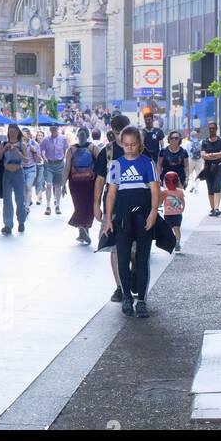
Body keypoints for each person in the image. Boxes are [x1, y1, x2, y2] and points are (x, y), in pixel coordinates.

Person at [102, 126, 161, 318]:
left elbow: (155, 190)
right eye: (125, 145)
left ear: (140, 144)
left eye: (133, 144)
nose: (129, 148)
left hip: (143, 216)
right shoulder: (116, 165)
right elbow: (111, 193)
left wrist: (153, 212)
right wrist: (108, 219)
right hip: (123, 218)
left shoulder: (147, 163)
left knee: (142, 258)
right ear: (121, 143)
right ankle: (127, 296)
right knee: (123, 257)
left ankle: (141, 299)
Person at [93, 114, 132, 303]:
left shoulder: (139, 150)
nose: (121, 138)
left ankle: (130, 282)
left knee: (134, 250)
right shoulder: (107, 152)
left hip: (135, 207)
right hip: (113, 207)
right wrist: (95, 205)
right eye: (118, 133)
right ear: (112, 131)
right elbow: (100, 180)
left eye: (124, 133)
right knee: (115, 249)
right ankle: (120, 287)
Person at [63, 126, 97, 244]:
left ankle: (82, 231)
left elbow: (67, 168)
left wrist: (63, 184)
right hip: (90, 182)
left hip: (75, 182)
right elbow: (99, 166)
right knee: (88, 206)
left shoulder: (71, 149)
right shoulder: (93, 148)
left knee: (79, 206)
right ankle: (83, 229)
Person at [0, 124, 29, 235]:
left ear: (18, 132)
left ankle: (21, 221)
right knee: (7, 200)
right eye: (10, 131)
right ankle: (8, 224)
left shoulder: (22, 145)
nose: (12, 132)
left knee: (20, 199)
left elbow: (26, 160)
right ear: (8, 132)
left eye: (14, 130)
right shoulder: (3, 144)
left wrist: (18, 153)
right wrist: (5, 149)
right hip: (7, 173)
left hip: (18, 173)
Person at [39, 124, 69, 216]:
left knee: (58, 186)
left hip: (59, 164)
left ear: (58, 130)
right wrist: (44, 158)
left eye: (55, 129)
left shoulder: (63, 139)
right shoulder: (45, 140)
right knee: (48, 185)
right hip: (49, 164)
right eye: (52, 130)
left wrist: (63, 159)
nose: (53, 131)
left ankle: (57, 206)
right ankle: (48, 206)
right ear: (50, 130)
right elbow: (42, 150)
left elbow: (65, 150)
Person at [200, 121, 221, 216]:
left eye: (213, 128)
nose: (211, 129)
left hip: (219, 167)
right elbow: (203, 155)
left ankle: (217, 208)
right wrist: (217, 155)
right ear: (207, 129)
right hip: (208, 168)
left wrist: (211, 155)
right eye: (210, 128)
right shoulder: (204, 141)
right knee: (210, 188)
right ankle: (212, 208)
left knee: (217, 186)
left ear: (216, 129)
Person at [162, 171, 186, 253]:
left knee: (169, 230)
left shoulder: (164, 192)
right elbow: (183, 201)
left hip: (168, 215)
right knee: (177, 229)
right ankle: (177, 242)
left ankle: (175, 242)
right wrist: (183, 209)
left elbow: (161, 201)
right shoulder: (180, 191)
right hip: (178, 214)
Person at [20, 128, 40, 207]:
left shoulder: (34, 144)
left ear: (29, 135)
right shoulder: (19, 144)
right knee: (24, 187)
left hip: (31, 168)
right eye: (22, 136)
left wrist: (33, 150)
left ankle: (27, 206)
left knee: (28, 186)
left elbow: (38, 159)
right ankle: (27, 201)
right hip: (21, 169)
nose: (23, 138)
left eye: (25, 136)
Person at [186, 128, 203, 192]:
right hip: (199, 160)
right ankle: (196, 187)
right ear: (197, 135)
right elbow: (202, 151)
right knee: (198, 174)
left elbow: (187, 152)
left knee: (190, 173)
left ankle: (192, 184)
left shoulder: (188, 142)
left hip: (191, 160)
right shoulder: (201, 142)